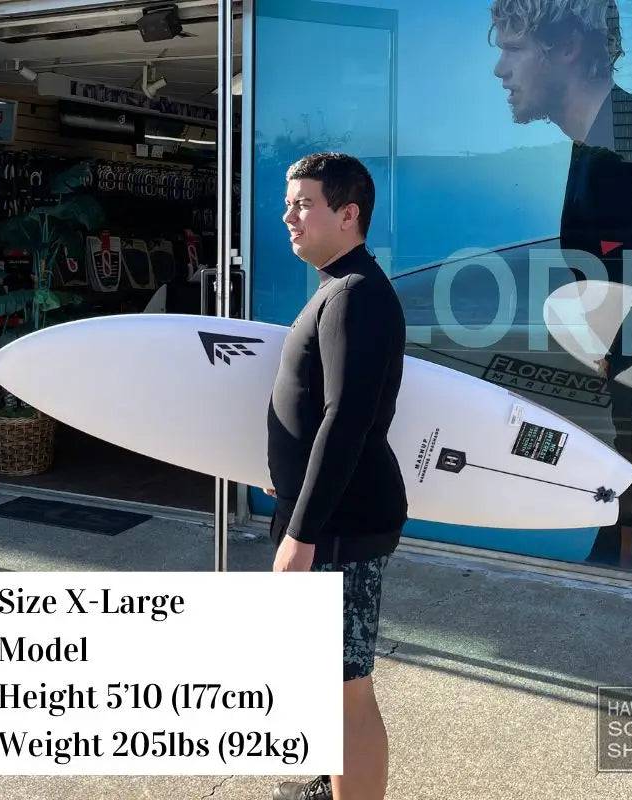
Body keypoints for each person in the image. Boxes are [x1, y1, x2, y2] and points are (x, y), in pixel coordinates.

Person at [490, 0, 632, 558]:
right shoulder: (601, 135)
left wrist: (622, 351)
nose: (500, 69)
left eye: (513, 49)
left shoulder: (622, 143)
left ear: (566, 48)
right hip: (631, 348)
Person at [266, 152, 407, 800]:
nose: (288, 216)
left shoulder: (355, 295)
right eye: (288, 203)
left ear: (348, 214)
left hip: (339, 530)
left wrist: (302, 533)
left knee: (346, 689)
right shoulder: (341, 288)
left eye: (303, 204)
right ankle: (332, 785)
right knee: (328, 682)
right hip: (331, 521)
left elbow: (348, 420)